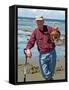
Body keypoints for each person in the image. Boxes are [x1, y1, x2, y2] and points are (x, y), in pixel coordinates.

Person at [24, 16, 60, 80]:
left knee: (51, 72)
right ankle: (50, 80)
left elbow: (57, 34)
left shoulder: (49, 28)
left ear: (43, 21)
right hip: (42, 55)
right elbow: (30, 42)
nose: (39, 22)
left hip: (52, 53)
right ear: (36, 22)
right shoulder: (35, 32)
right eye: (38, 21)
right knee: (45, 73)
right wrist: (28, 49)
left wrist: (57, 31)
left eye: (40, 21)